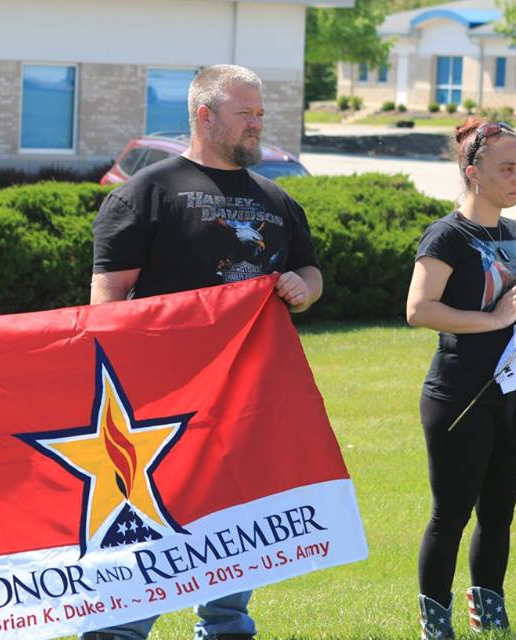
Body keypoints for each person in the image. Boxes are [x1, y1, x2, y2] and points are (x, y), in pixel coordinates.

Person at [86, 64, 323, 640]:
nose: (256, 126)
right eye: (246, 114)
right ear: (205, 115)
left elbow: (310, 270)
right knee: (148, 520)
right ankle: (117, 630)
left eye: (260, 115)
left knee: (234, 517)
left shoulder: (276, 199)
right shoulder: (147, 193)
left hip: (248, 399)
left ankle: (226, 628)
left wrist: (303, 288)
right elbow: (107, 303)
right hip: (161, 403)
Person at [405, 117, 516, 639]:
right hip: (460, 394)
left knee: (498, 513)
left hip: (515, 393)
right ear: (473, 173)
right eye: (506, 169)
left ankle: (490, 618)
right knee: (451, 515)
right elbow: (420, 309)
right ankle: (435, 624)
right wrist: (493, 320)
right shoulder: (447, 235)